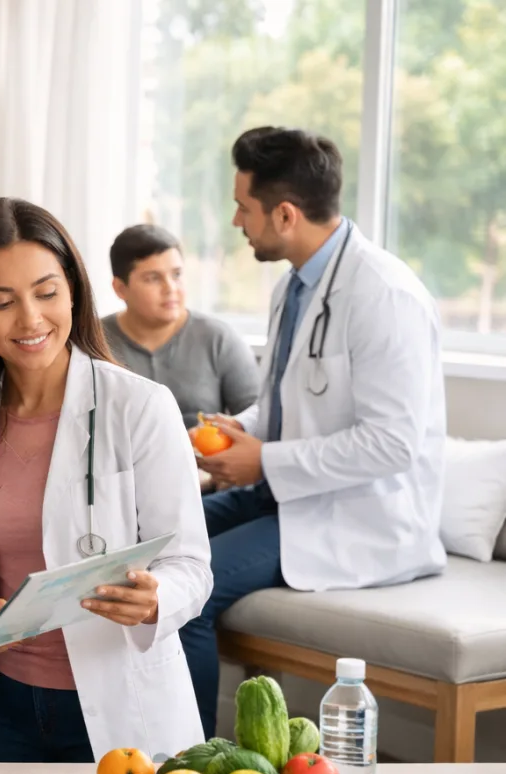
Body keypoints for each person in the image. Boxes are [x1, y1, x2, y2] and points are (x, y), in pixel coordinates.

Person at [182, 127, 447, 737]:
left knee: (185, 592)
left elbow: (392, 443)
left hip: (360, 518)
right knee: (159, 545)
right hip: (290, 494)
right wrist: (238, 432)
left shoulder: (384, 294)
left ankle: (187, 762)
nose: (234, 221)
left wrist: (264, 460)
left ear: (284, 214)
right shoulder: (295, 286)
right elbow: (284, 404)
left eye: (242, 207)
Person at [0, 198, 212, 764]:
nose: (30, 319)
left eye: (47, 292)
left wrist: (157, 600)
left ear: (75, 291)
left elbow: (191, 566)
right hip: (4, 703)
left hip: (118, 701)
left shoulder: (139, 407)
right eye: (1, 302)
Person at [102, 224, 260, 429]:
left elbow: (257, 415)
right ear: (121, 289)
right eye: (153, 279)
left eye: (176, 275)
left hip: (203, 459)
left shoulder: (219, 338)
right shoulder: (92, 339)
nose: (171, 288)